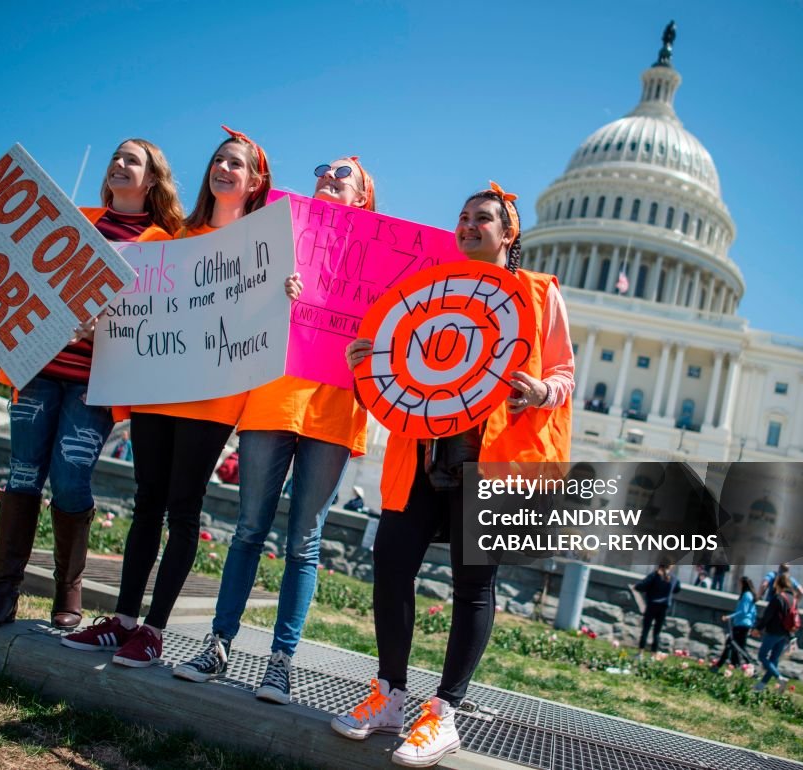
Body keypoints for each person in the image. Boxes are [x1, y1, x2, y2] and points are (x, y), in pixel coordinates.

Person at [330, 182, 574, 767]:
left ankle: (443, 713)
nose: (468, 226)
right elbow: (397, 361)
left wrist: (541, 390)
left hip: (491, 463)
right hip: (421, 454)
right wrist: (366, 361)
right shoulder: (430, 290)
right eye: (463, 217)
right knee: (391, 567)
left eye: (483, 219)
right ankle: (389, 694)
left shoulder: (540, 294)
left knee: (472, 587)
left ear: (508, 233)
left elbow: (564, 372)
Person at [62, 126, 271, 666]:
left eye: (236, 164)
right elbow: (135, 309)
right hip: (157, 389)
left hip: (211, 399)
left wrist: (281, 295)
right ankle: (124, 620)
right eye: (218, 160)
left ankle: (153, 630)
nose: (223, 169)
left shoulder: (266, 248)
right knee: (146, 502)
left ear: (254, 181)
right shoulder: (171, 240)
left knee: (183, 508)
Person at [173, 156, 376, 703]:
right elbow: (231, 306)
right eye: (324, 172)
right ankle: (218, 644)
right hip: (272, 400)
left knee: (304, 544)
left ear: (362, 198)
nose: (330, 178)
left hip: (333, 409)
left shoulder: (379, 260)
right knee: (248, 530)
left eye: (343, 176)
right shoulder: (276, 230)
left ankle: (280, 662)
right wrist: (271, 295)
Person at [0, 138, 181, 630]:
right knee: (23, 475)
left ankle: (69, 590)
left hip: (97, 385)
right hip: (39, 369)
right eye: (116, 157)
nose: (119, 164)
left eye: (133, 160)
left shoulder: (166, 245)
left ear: (152, 180)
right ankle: (3, 594)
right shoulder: (76, 221)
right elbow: (15, 243)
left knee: (69, 479)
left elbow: (164, 317)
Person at [752, 573, 796, 692]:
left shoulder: (778, 597)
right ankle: (761, 685)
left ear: (777, 583)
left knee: (762, 655)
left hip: (774, 631)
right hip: (785, 633)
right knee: (774, 660)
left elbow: (767, 615)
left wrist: (758, 628)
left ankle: (779, 677)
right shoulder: (792, 598)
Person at [636, 560, 681, 653]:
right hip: (664, 607)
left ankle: (640, 652)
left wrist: (636, 587)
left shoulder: (655, 575)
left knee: (646, 629)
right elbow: (677, 589)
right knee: (657, 631)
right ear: (671, 566)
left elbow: (642, 585)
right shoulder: (674, 578)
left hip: (652, 604)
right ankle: (653, 653)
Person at [712, 576, 757, 670]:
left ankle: (719, 665)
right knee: (737, 646)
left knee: (732, 644)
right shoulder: (751, 596)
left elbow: (743, 611)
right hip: (745, 624)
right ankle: (735, 664)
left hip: (741, 624)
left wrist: (729, 617)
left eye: (740, 583)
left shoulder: (746, 595)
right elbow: (753, 613)